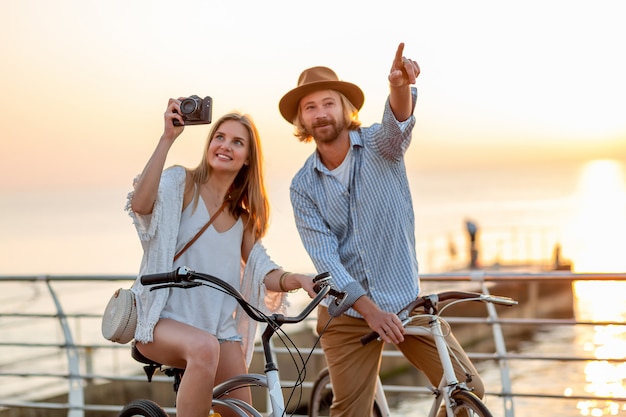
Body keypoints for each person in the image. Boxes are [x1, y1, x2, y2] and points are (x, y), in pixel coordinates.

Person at [279, 43, 484, 416]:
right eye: (310, 108)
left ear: (346, 109)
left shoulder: (379, 145)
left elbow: (398, 126)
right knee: (351, 412)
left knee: (468, 391)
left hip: (404, 302)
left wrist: (399, 87)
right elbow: (327, 261)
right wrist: (369, 310)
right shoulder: (302, 186)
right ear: (302, 123)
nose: (320, 113)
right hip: (346, 316)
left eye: (328, 103)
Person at [126, 99, 317, 417]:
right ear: (209, 143)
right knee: (204, 347)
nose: (225, 145)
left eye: (237, 142)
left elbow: (262, 269)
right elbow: (141, 205)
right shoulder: (182, 184)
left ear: (246, 159)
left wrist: (296, 279)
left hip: (218, 330)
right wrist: (167, 138)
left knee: (242, 411)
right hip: (160, 321)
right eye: (220, 137)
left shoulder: (242, 219)